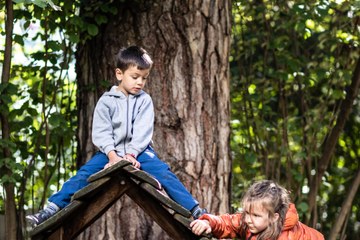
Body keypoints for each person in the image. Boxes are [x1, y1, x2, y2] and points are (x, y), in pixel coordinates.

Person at [26, 46, 207, 227]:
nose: (140, 82)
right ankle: (50, 209)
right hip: (109, 153)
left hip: (141, 153)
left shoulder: (144, 100)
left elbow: (143, 131)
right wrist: (113, 156)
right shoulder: (106, 101)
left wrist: (132, 155)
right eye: (135, 77)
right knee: (84, 175)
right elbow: (101, 131)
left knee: (164, 174)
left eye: (144, 78)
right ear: (119, 74)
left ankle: (196, 211)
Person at [190, 180, 324, 240]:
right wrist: (208, 222)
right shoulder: (252, 222)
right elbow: (229, 222)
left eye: (255, 215)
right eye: (246, 212)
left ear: (274, 217)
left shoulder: (285, 237)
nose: (248, 219)